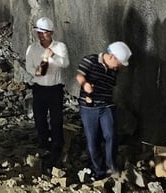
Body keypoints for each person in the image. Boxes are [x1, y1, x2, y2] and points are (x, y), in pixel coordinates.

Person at [76, 41, 132, 179]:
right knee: (92, 140)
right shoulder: (90, 60)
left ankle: (111, 165)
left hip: (106, 105)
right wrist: (85, 84)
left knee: (111, 135)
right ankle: (99, 171)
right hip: (89, 108)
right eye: (119, 62)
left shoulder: (114, 70)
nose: (119, 66)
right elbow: (79, 75)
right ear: (112, 56)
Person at [24, 17, 69, 172]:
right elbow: (31, 68)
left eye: (44, 33)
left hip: (55, 88)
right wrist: (43, 62)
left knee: (56, 118)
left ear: (51, 33)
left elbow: (65, 63)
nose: (41, 36)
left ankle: (57, 143)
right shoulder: (32, 48)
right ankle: (43, 142)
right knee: (39, 117)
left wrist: (52, 56)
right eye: (39, 33)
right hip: (39, 88)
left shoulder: (60, 47)